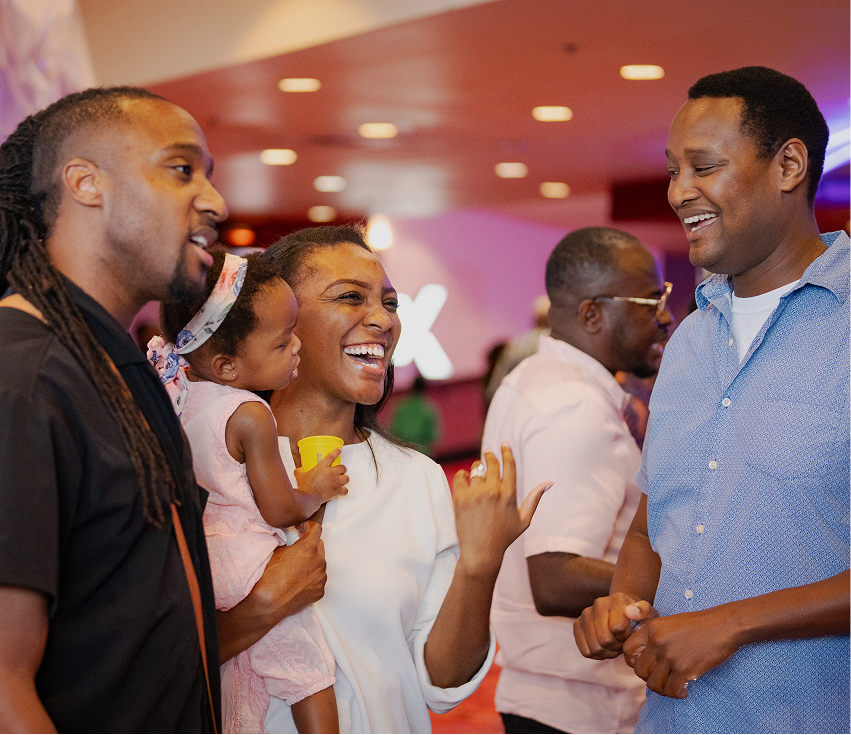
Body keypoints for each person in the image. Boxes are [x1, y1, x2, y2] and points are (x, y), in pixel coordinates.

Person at [574, 66, 850, 734]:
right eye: (672, 170)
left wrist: (732, 624)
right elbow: (651, 525)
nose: (676, 192)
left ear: (787, 165)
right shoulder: (690, 342)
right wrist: (622, 602)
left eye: (702, 167)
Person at [217, 224, 551, 733]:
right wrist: (262, 607)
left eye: (390, 304)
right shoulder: (209, 467)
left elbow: (441, 683)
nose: (382, 321)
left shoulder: (415, 480)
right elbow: (143, 656)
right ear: (276, 318)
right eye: (350, 297)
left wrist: (479, 566)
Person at [0, 87, 226, 730]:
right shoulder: (22, 375)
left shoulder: (116, 365)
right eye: (181, 169)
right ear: (86, 184)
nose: (214, 201)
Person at [484, 226, 672, 734]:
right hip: (579, 706)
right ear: (593, 313)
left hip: (545, 694)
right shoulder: (575, 408)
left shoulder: (532, 379)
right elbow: (555, 575)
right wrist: (687, 585)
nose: (666, 317)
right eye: (650, 300)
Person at [151, 251, 349, 733]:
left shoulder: (178, 400)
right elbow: (280, 509)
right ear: (226, 364)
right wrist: (315, 489)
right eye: (283, 341)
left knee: (240, 681)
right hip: (250, 564)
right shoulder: (248, 411)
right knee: (309, 673)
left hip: (208, 564)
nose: (298, 346)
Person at [389, 375, 442, 456]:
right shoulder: (428, 409)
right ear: (425, 389)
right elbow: (432, 436)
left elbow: (392, 430)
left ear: (411, 388)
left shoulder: (401, 406)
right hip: (421, 454)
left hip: (402, 452)